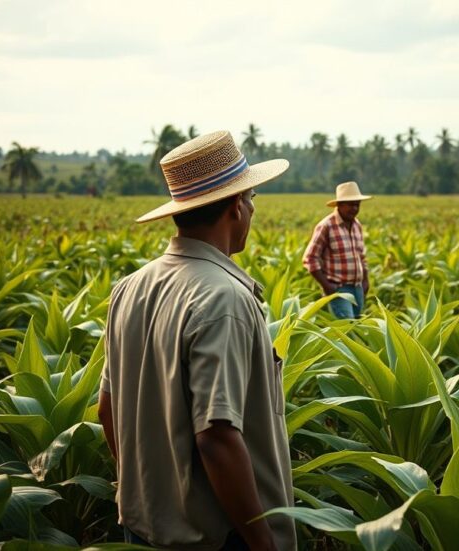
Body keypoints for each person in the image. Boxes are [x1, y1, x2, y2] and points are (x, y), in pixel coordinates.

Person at [99, 131, 295, 550]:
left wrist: (148, 492)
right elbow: (217, 435)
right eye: (252, 198)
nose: (252, 208)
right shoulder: (224, 298)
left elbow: (107, 407)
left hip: (142, 525)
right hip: (217, 536)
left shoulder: (129, 288)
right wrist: (262, 541)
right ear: (235, 207)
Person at [302, 181, 373, 319]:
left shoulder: (357, 225)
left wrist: (365, 281)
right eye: (350, 204)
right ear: (339, 205)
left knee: (357, 327)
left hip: (357, 287)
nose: (354, 208)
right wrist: (327, 286)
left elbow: (361, 257)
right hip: (339, 288)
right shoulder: (326, 226)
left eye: (357, 204)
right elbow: (310, 258)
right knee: (346, 331)